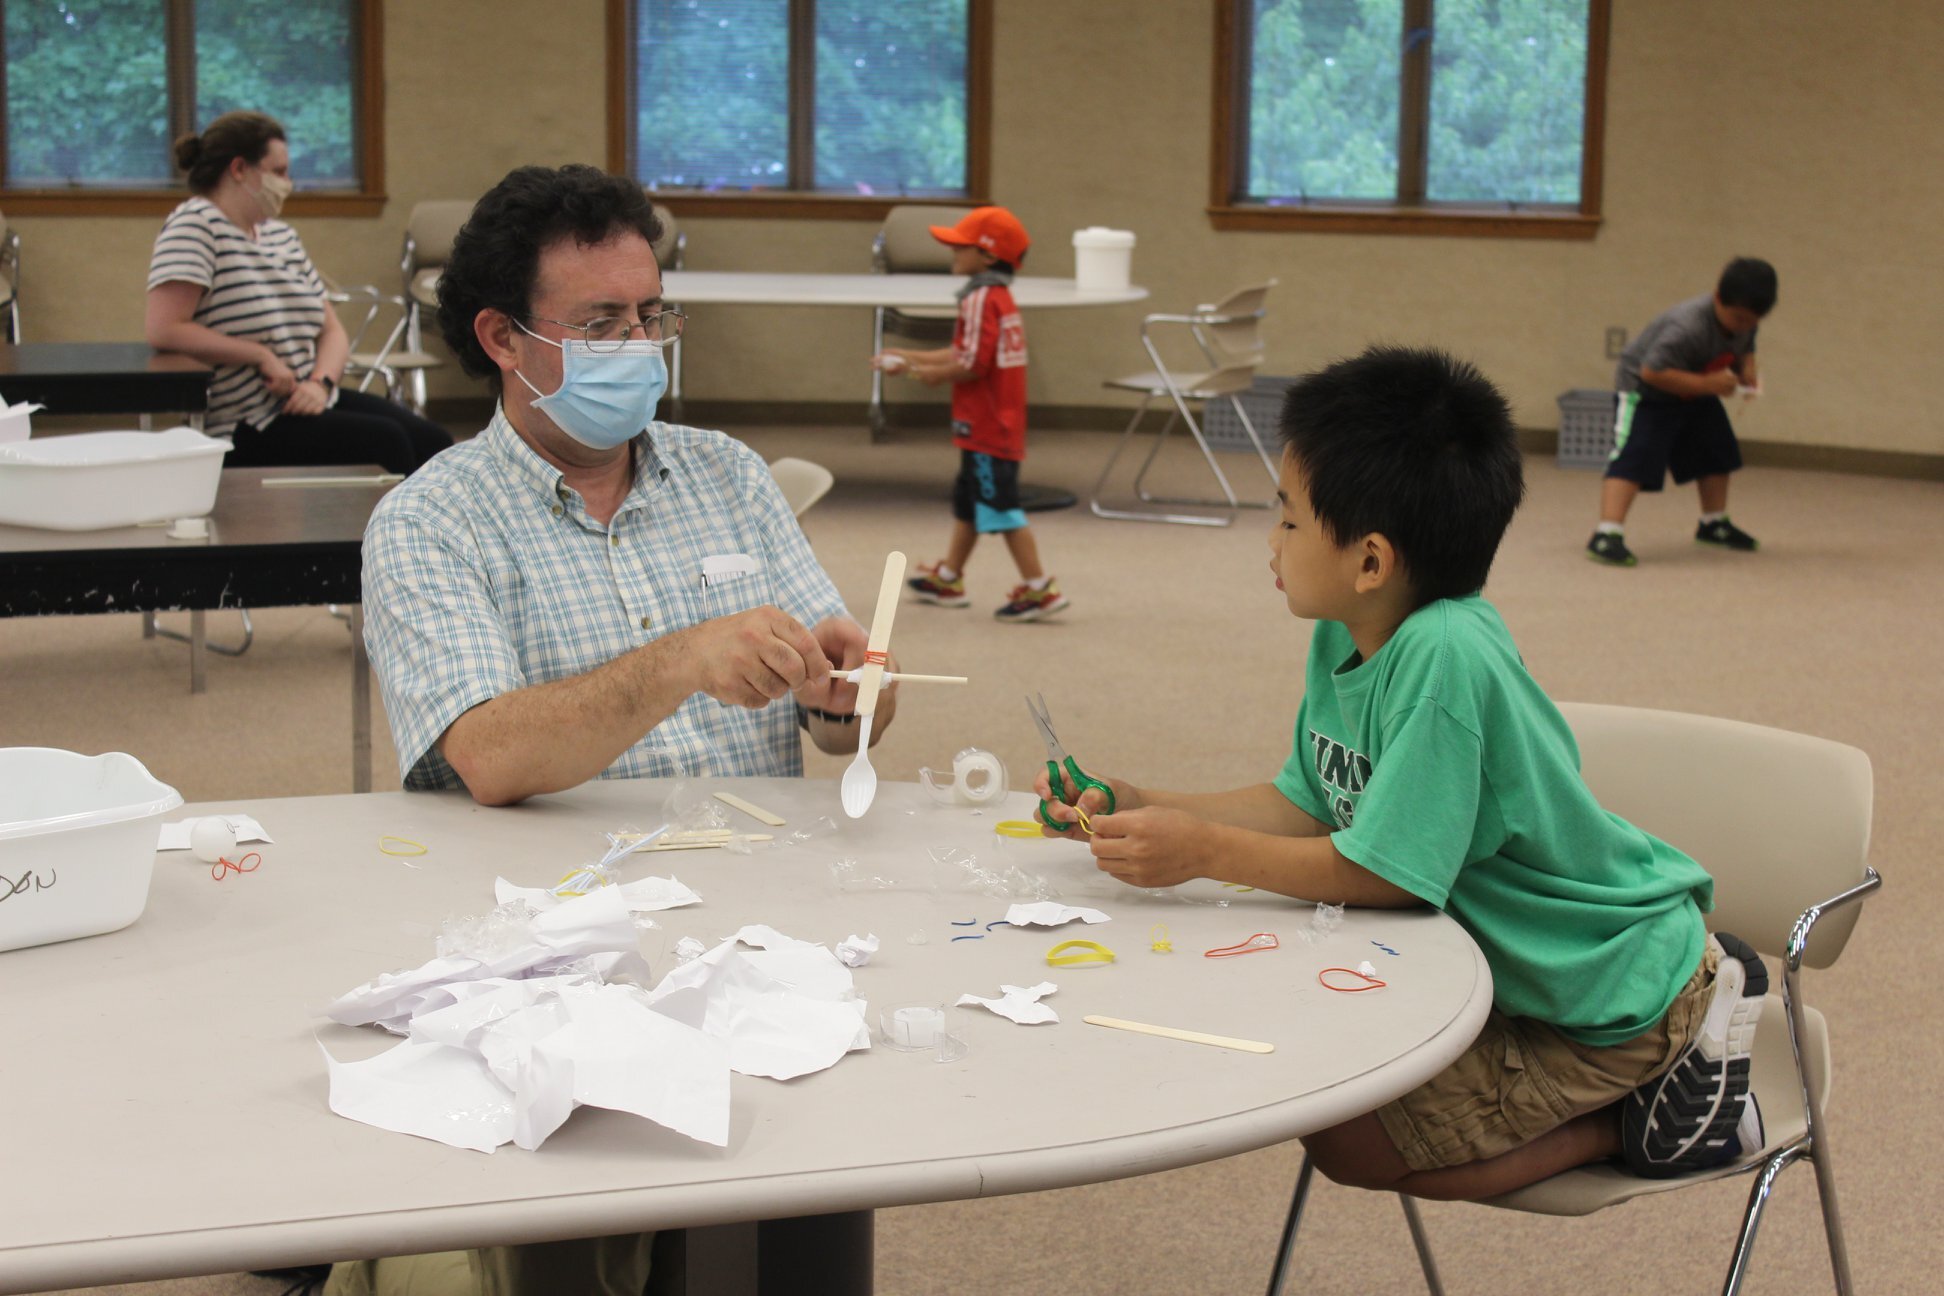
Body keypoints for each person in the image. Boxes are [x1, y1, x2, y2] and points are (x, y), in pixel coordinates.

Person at [341, 165, 895, 1295]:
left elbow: (840, 717)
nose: (639, 346)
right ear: (503, 337)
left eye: (650, 315)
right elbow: (485, 754)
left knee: (805, 1206)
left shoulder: (728, 476)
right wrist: (683, 660)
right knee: (575, 1242)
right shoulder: (429, 522)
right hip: (554, 955)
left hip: (761, 933)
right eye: (599, 324)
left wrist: (848, 700)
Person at [1038, 346, 1766, 1200]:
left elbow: (1387, 873)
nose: (1272, 539)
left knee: (1354, 1142)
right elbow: (1312, 801)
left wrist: (1201, 851)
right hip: (1521, 968)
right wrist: (1144, 802)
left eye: (1289, 518)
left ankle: (1656, 1111)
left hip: (1605, 996)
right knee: (1319, 1075)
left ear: (1371, 560)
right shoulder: (1347, 625)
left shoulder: (1442, 659)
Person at [145, 111, 451, 475]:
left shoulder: (280, 236)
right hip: (247, 418)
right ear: (239, 169)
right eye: (278, 172)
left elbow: (331, 330)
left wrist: (320, 384)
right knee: (387, 443)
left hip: (309, 397)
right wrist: (258, 354)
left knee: (434, 442)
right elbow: (164, 328)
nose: (288, 183)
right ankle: (378, 532)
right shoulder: (195, 225)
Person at [873, 206, 1068, 622]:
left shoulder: (980, 298)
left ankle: (1039, 589)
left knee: (1000, 507)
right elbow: (966, 352)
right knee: (969, 502)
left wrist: (924, 374)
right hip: (993, 425)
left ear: (987, 255)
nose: (951, 252)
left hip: (987, 427)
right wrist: (909, 355)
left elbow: (971, 365)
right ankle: (949, 576)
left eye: (960, 246)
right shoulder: (996, 296)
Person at [1586, 257, 1777, 566]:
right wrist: (1708, 384)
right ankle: (1606, 533)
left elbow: (1747, 343)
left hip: (1696, 388)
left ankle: (1713, 524)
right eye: (1738, 317)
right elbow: (1652, 372)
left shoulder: (1746, 324)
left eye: (1752, 321)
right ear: (1717, 298)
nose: (1744, 325)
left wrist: (1747, 367)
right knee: (1635, 456)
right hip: (1646, 391)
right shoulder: (1687, 327)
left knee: (1716, 449)